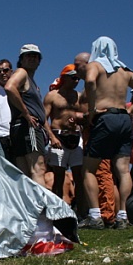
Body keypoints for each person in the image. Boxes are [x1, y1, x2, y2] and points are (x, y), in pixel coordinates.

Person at [75, 37, 133, 230]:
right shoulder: (124, 71)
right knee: (123, 170)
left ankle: (95, 216)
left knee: (88, 169)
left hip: (105, 118)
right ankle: (122, 216)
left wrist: (92, 110)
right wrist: (131, 109)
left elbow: (90, 81)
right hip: (124, 119)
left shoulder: (95, 66)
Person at [5, 44, 55, 187]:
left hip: (21, 127)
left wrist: (50, 135)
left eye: (35, 56)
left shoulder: (33, 83)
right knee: (38, 169)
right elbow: (9, 87)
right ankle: (39, 201)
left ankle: (28, 201)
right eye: (28, 55)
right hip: (28, 126)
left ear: (39, 61)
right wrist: (26, 113)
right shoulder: (22, 73)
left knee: (24, 173)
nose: (32, 58)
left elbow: (41, 112)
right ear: (21, 59)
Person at [43, 64, 86, 208]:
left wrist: (80, 120)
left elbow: (86, 116)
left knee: (79, 176)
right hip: (58, 137)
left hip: (76, 137)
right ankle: (58, 210)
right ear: (64, 77)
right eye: (73, 78)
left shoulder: (78, 96)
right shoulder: (52, 96)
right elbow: (43, 118)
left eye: (78, 78)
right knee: (59, 176)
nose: (76, 81)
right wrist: (52, 137)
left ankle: (81, 211)